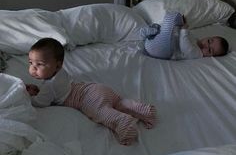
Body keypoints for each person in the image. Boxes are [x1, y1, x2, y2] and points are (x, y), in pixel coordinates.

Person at [26, 38, 156, 146]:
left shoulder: (49, 85)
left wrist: (29, 96)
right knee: (118, 102)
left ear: (57, 65)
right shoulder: (60, 72)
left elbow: (41, 102)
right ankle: (144, 110)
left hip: (86, 98)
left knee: (101, 113)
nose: (33, 69)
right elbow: (55, 90)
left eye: (40, 64)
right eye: (31, 63)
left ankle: (124, 123)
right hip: (93, 88)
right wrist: (39, 89)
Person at [141, 12, 229, 60]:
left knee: (172, 18)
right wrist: (182, 27)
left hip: (166, 51)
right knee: (158, 28)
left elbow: (185, 46)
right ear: (209, 37)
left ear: (210, 56)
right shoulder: (196, 40)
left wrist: (184, 29)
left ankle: (148, 35)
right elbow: (183, 37)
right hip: (166, 44)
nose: (206, 45)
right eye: (209, 41)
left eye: (210, 50)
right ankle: (149, 35)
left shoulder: (198, 54)